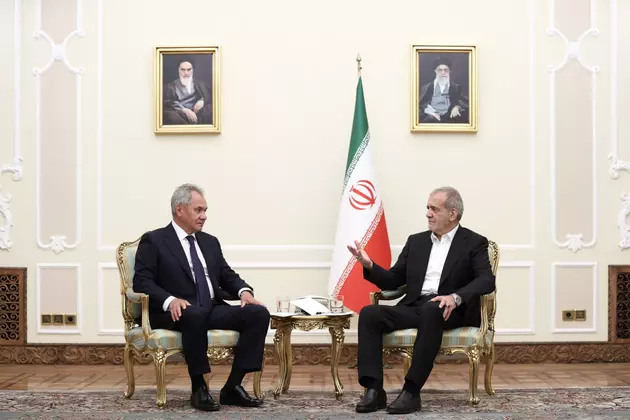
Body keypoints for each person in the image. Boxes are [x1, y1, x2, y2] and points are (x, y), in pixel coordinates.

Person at [348, 186, 495, 414]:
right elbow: (394, 280)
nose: (428, 214)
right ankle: (374, 390)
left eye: (435, 209)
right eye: (428, 208)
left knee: (431, 309)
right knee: (370, 313)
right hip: (416, 305)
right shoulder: (416, 241)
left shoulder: (474, 242)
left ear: (453, 213)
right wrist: (369, 266)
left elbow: (486, 280)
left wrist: (455, 297)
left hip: (449, 310)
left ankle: (411, 391)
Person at [133, 183, 269, 412]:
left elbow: (226, 275)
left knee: (258, 313)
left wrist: (244, 292)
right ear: (179, 209)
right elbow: (142, 281)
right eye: (198, 210)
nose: (204, 216)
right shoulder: (154, 240)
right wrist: (170, 300)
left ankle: (232, 387)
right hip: (175, 312)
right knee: (194, 314)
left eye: (205, 210)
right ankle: (199, 388)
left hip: (210, 308)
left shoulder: (209, 241)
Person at [418, 57, 469, 124]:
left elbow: (463, 101)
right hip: (431, 116)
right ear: (435, 71)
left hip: (449, 115)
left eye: (445, 70)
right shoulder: (427, 87)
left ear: (449, 72)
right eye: (440, 70)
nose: (443, 73)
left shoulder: (455, 87)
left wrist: (456, 107)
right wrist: (430, 112)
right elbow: (421, 104)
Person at [163, 59, 213, 125]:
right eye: (183, 70)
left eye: (189, 69)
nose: (186, 73)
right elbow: (168, 102)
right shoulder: (170, 86)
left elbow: (207, 95)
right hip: (180, 113)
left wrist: (202, 101)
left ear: (192, 70)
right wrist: (184, 110)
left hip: (198, 112)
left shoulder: (199, 84)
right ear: (178, 70)